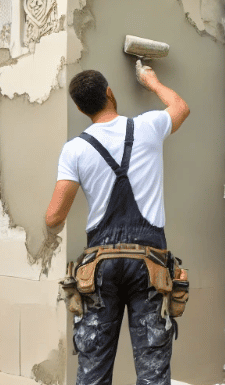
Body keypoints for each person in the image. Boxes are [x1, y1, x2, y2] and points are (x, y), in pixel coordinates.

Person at [45, 62, 189, 385]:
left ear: (81, 109)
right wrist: (151, 81)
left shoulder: (75, 150)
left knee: (92, 374)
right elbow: (180, 107)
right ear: (110, 93)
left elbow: (54, 217)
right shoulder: (148, 126)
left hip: (100, 268)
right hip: (148, 266)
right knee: (153, 375)